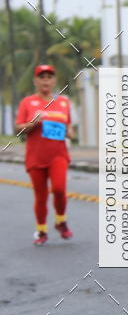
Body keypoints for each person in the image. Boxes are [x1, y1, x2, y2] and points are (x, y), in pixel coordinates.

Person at [15, 65, 74, 245]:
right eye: (42, 77)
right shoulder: (27, 102)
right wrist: (32, 123)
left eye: (49, 77)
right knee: (41, 196)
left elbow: (69, 126)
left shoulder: (63, 102)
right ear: (35, 81)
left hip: (58, 154)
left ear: (54, 81)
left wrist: (70, 133)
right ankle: (41, 231)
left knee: (59, 189)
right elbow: (18, 128)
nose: (46, 80)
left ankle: (60, 221)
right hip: (36, 156)